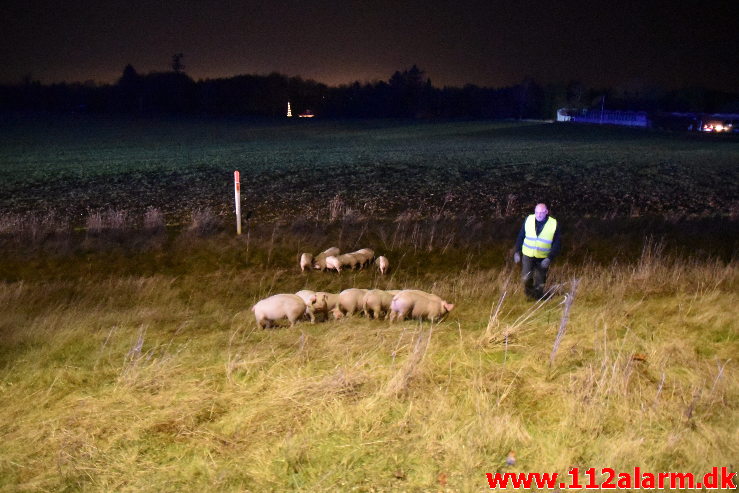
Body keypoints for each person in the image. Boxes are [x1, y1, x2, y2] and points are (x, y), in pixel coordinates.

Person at [513, 203, 561, 300]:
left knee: (540, 279)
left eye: (541, 213)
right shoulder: (529, 220)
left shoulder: (553, 223)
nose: (538, 215)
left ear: (546, 212)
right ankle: (530, 295)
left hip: (543, 257)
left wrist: (549, 258)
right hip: (528, 254)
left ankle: (537, 298)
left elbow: (557, 243)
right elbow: (521, 236)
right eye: (536, 212)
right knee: (526, 277)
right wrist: (517, 251)